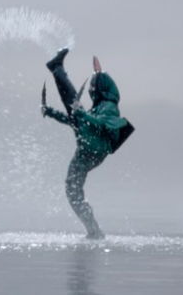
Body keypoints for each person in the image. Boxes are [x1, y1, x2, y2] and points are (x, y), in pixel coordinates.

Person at [42, 49, 135, 240]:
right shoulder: (99, 106)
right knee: (72, 190)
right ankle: (94, 230)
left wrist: (81, 114)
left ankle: (57, 68)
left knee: (74, 109)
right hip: (88, 148)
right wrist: (50, 112)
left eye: (94, 85)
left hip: (93, 149)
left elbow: (102, 123)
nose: (91, 89)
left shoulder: (109, 106)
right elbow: (75, 120)